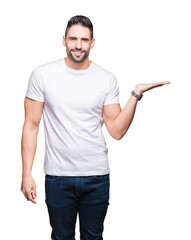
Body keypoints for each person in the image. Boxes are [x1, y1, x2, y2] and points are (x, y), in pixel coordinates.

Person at [21, 15, 170, 240]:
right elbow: (31, 126)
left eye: (84, 40)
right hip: (58, 176)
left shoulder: (106, 78)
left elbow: (116, 131)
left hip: (97, 176)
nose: (78, 45)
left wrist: (136, 94)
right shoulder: (42, 75)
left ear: (92, 43)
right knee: (61, 237)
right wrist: (26, 174)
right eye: (73, 39)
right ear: (63, 40)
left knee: (93, 237)